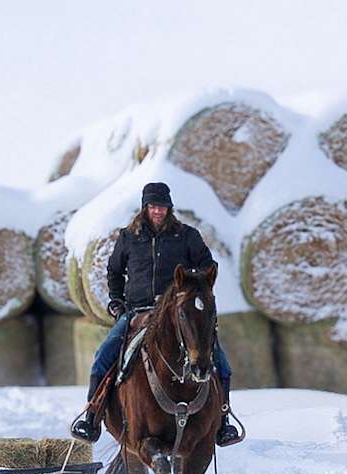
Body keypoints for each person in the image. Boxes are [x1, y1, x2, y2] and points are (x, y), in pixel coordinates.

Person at [71, 182, 238, 445]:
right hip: (138, 311)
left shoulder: (187, 236)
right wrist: (116, 301)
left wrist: (189, 288)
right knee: (103, 356)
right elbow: (114, 272)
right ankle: (91, 417)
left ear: (169, 208)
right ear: (145, 208)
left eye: (162, 206)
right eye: (153, 206)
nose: (158, 211)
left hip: (177, 313)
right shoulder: (129, 237)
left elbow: (208, 266)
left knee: (221, 363)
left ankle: (225, 420)